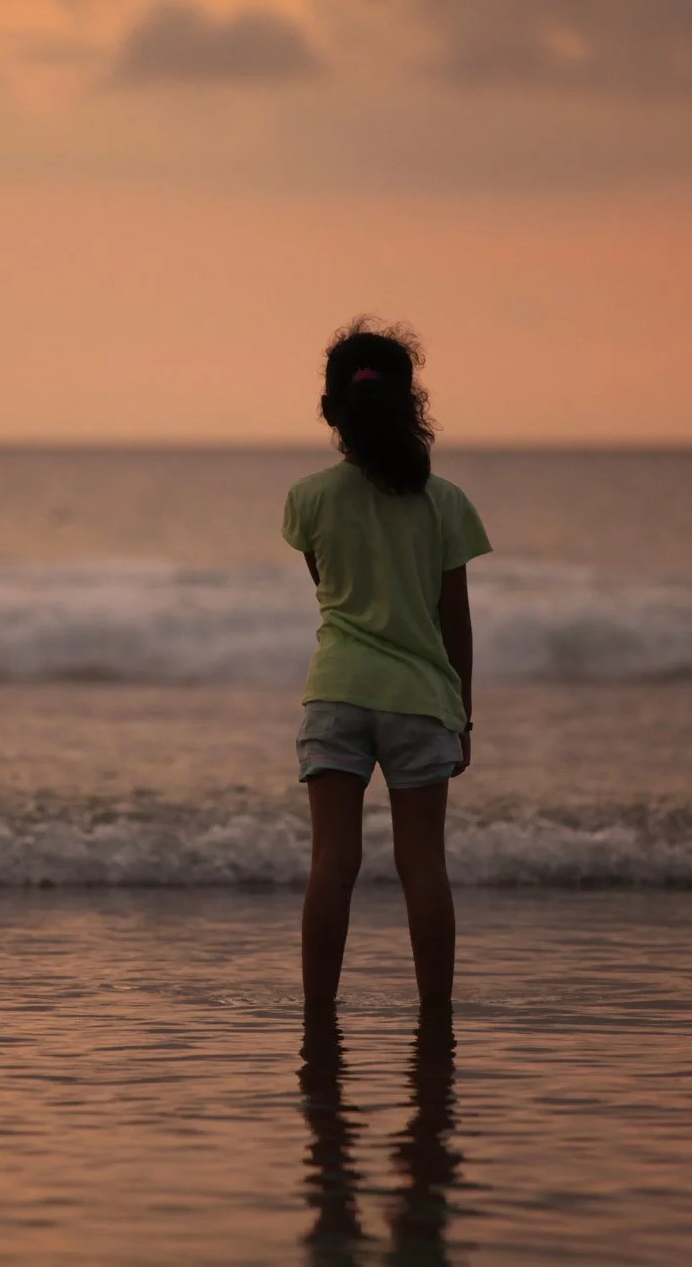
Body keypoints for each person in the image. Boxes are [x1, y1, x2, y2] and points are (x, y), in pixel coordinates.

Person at [282, 318, 490, 1013]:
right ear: (412, 403)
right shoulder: (445, 502)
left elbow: (330, 590)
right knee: (422, 865)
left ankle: (318, 1014)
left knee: (332, 864)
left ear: (332, 409)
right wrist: (462, 713)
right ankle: (435, 1015)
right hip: (420, 696)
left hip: (337, 692)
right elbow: (452, 619)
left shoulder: (309, 498)